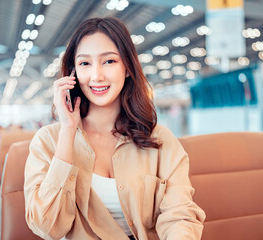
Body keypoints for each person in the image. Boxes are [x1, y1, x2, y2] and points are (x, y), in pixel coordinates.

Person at [24, 17, 205, 240]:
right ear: (73, 74)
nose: (97, 76)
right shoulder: (49, 141)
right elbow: (47, 227)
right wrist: (68, 131)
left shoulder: (159, 139)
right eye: (84, 64)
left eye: (109, 61)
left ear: (128, 68)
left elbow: (180, 215)